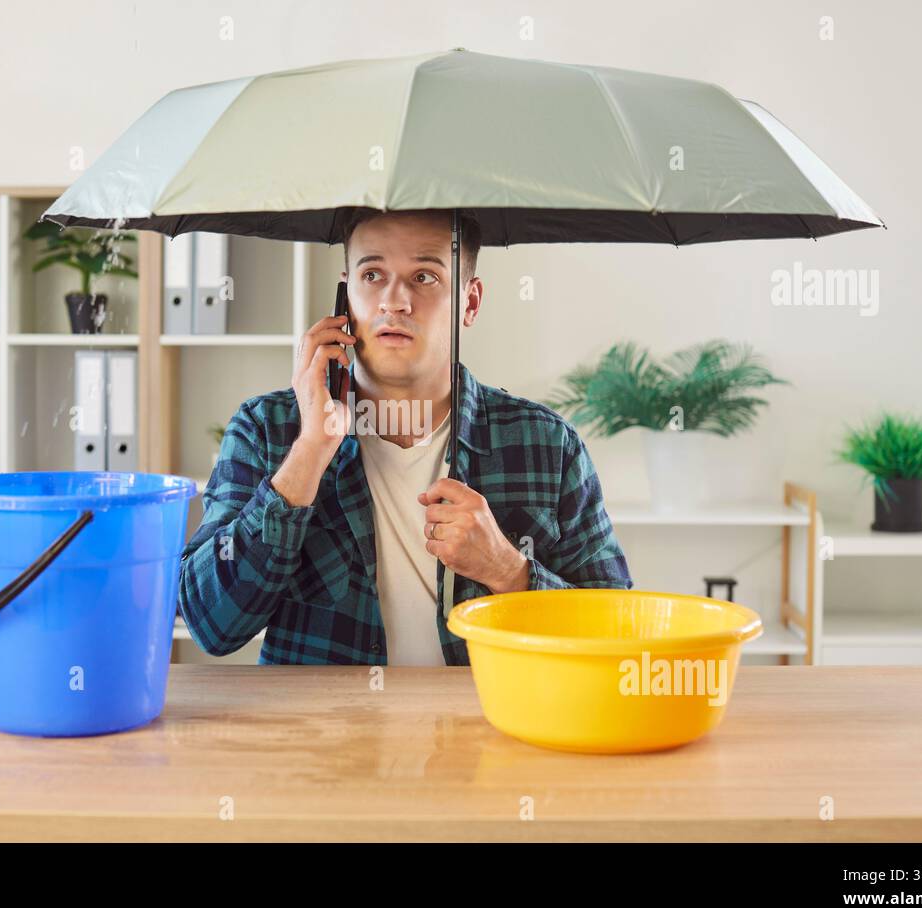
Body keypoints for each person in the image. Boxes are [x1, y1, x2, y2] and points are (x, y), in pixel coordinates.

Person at [178, 207, 632, 665]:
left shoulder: (548, 447)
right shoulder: (267, 429)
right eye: (372, 274)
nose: (394, 301)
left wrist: (507, 570)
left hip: (489, 729)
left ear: (470, 303)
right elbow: (212, 626)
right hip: (325, 733)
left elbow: (616, 635)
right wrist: (309, 453)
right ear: (346, 296)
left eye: (425, 277)